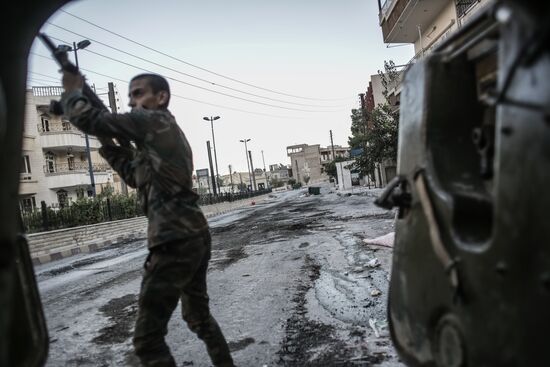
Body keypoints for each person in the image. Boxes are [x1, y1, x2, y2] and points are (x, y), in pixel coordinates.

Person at [60, 71, 235, 367]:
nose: (132, 102)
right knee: (197, 317)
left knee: (147, 340)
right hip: (190, 236)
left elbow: (91, 120)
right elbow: (132, 176)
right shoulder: (156, 139)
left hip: (174, 241)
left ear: (161, 97)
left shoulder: (154, 120)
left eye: (138, 93)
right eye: (130, 96)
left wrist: (73, 92)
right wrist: (108, 142)